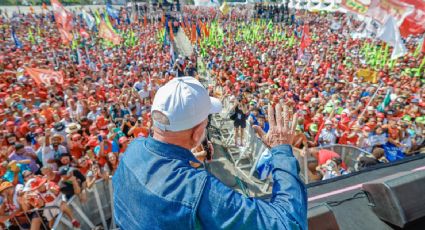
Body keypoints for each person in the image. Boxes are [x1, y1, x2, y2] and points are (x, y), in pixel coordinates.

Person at [113, 77, 307, 229]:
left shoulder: (133, 150)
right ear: (198, 132)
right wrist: (281, 150)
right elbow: (287, 224)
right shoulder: (196, 188)